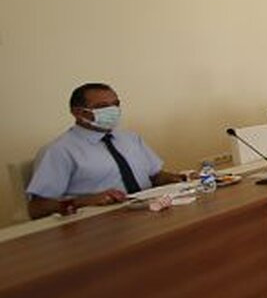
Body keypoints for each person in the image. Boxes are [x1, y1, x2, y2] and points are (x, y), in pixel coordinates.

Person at [26, 83, 184, 220]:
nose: (112, 111)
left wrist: (181, 178)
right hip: (99, 222)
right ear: (78, 112)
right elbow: (37, 208)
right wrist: (84, 201)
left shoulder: (130, 138)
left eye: (115, 104)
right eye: (102, 107)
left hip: (149, 212)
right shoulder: (59, 151)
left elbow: (155, 176)